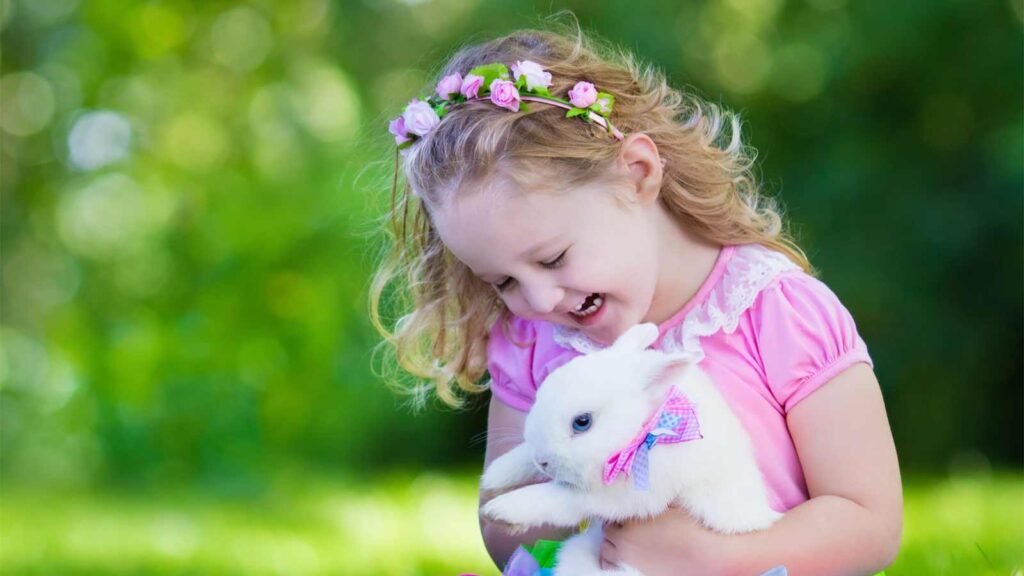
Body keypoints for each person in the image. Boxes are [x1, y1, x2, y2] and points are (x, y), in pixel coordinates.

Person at [371, 21, 902, 576]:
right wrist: (584, 486)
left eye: (552, 259)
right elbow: (505, 530)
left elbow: (868, 521)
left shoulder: (777, 314)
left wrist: (718, 558)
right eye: (501, 282)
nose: (538, 298)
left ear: (637, 174)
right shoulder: (530, 340)